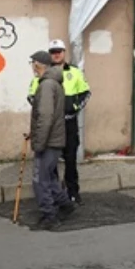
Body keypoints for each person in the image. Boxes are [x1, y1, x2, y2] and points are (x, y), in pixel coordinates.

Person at [27, 51, 76, 231]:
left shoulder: (47, 85)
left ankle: (50, 216)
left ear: (39, 64)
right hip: (54, 139)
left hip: (48, 141)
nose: (32, 67)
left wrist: (39, 141)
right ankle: (65, 205)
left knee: (40, 179)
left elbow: (46, 116)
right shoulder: (54, 83)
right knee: (50, 178)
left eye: (33, 63)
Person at [45, 40, 91, 205]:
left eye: (59, 51)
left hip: (69, 123)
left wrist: (75, 107)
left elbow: (86, 93)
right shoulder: (44, 73)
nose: (56, 54)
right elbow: (32, 96)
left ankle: (73, 192)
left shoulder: (74, 72)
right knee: (52, 162)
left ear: (64, 52)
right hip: (51, 125)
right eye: (53, 51)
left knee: (70, 160)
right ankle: (56, 194)